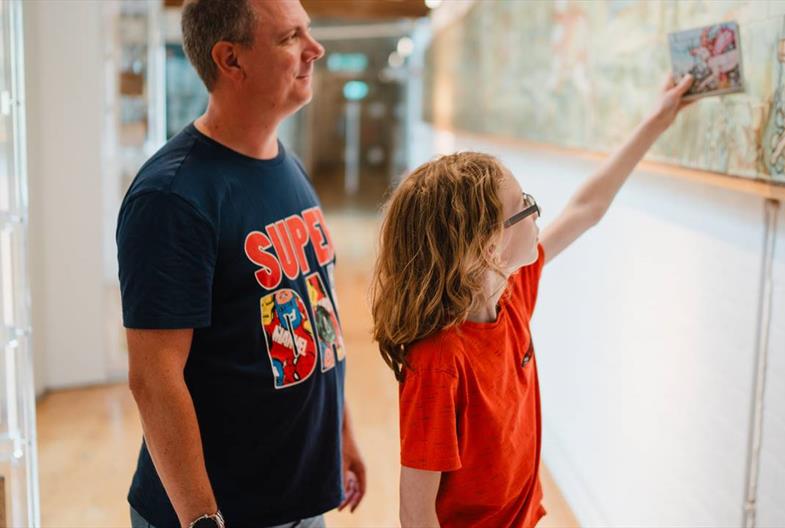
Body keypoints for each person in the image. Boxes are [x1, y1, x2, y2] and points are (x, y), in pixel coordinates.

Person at [371, 74, 694, 527]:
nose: (537, 211)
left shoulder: (512, 291)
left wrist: (656, 122)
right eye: (524, 204)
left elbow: (587, 207)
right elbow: (415, 511)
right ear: (488, 247)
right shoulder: (439, 361)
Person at [116, 1, 365, 527]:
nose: (314, 50)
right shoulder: (173, 196)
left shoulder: (286, 166)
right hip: (218, 511)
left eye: (309, 33)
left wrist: (341, 435)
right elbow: (154, 376)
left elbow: (317, 314)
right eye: (290, 37)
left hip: (297, 499)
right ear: (231, 60)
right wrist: (202, 520)